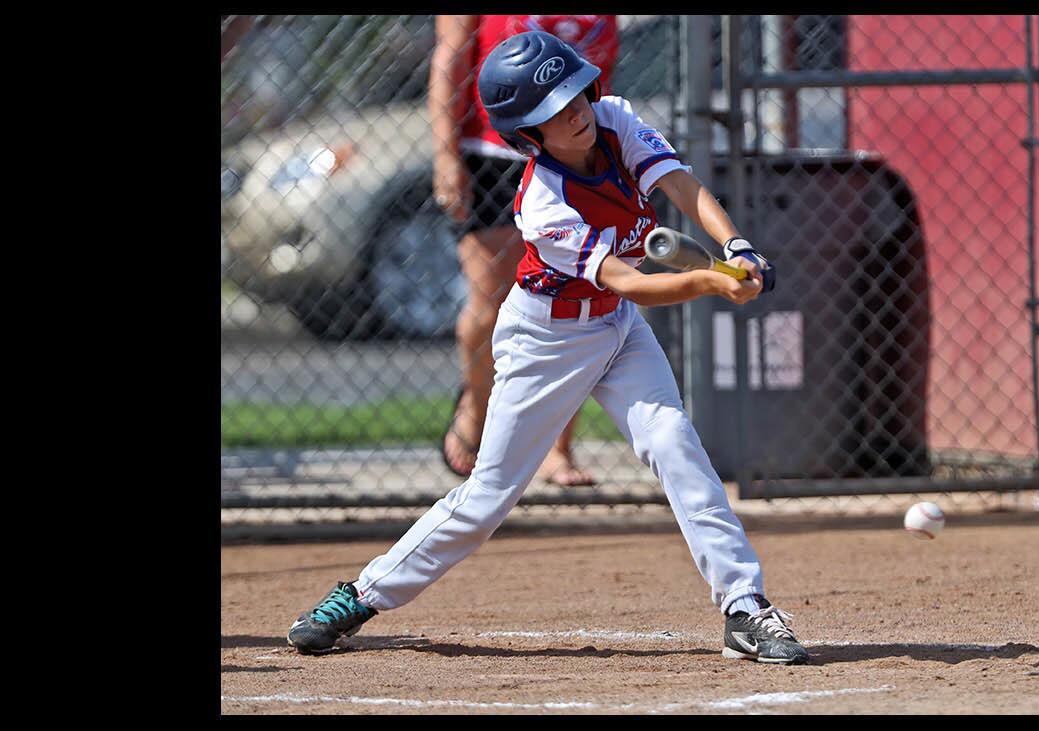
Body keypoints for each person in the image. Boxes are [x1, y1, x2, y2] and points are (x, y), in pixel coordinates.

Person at [288, 30, 807, 666]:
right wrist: (710, 283)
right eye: (553, 111)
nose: (576, 113)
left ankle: (744, 607)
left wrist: (737, 249)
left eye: (575, 95)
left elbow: (682, 188)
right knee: (486, 499)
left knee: (675, 444)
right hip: (547, 340)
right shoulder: (543, 201)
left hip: (615, 328)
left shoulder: (614, 120)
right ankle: (360, 595)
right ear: (527, 135)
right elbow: (633, 282)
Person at [431, 15, 618, 486]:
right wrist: (445, 154)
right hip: (492, 153)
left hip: (573, 155)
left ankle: (557, 449)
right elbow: (450, 59)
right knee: (490, 300)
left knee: (574, 301)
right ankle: (476, 411)